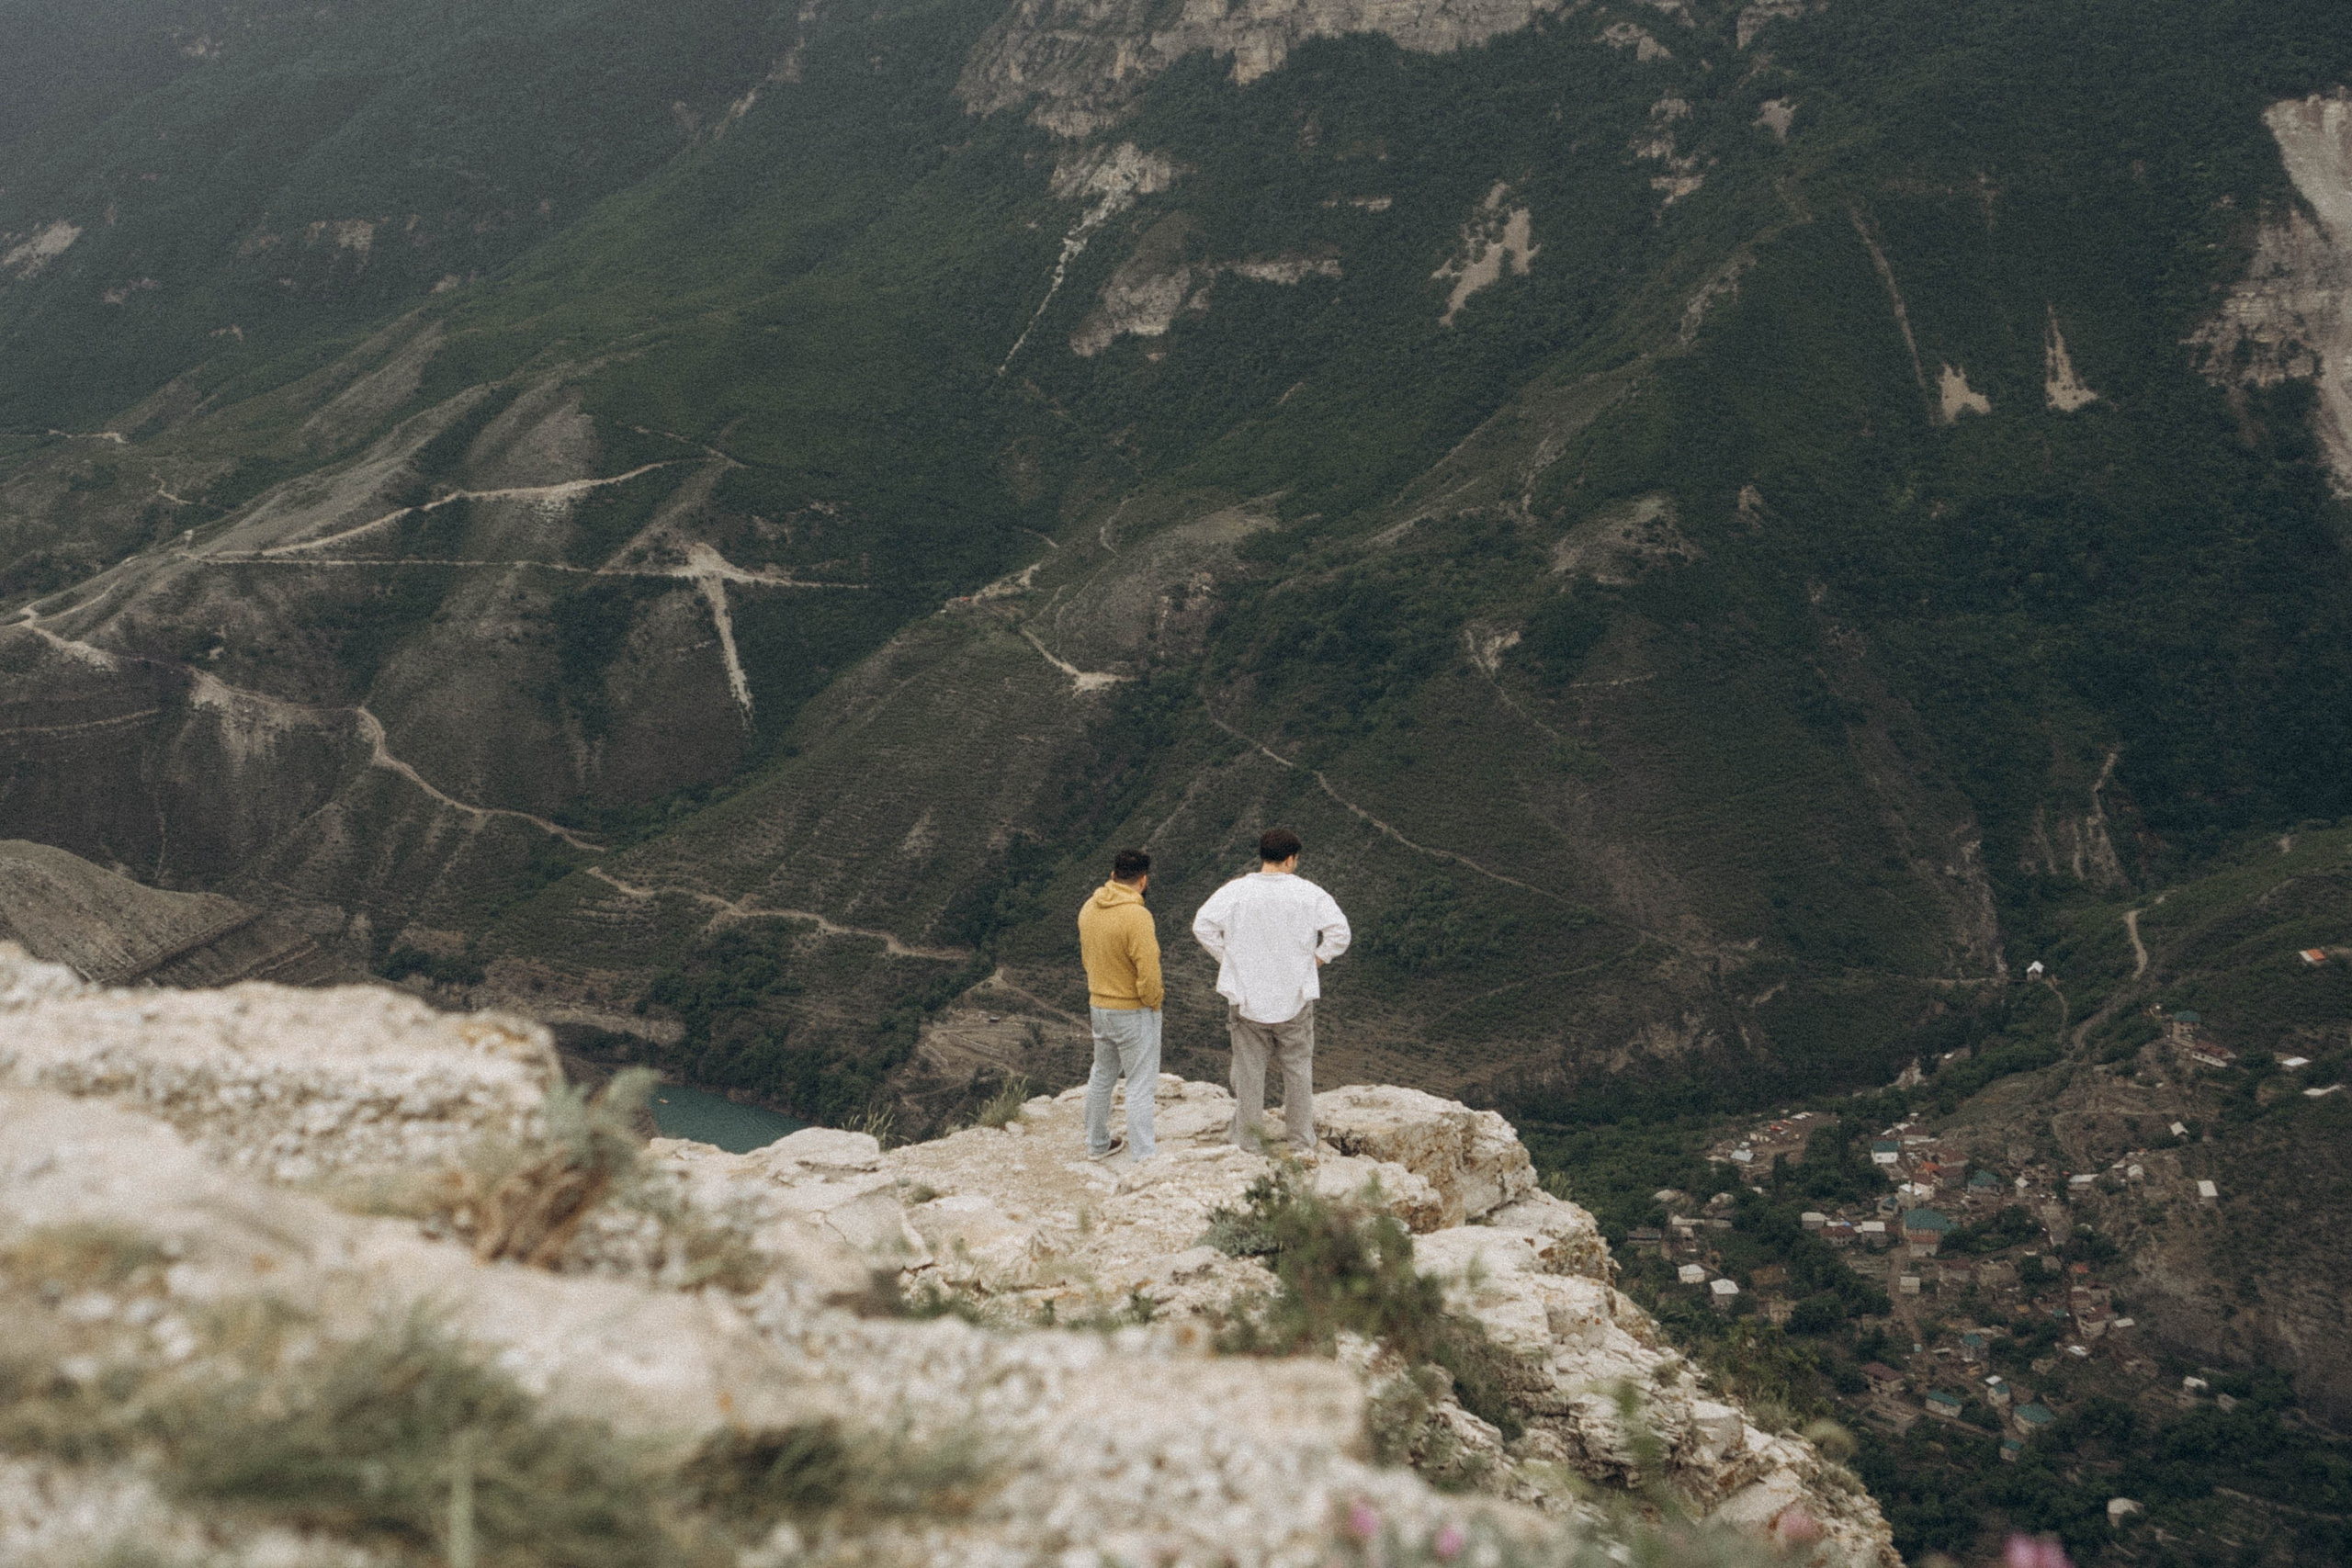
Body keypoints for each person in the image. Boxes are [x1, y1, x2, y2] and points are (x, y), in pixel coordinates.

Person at [1191, 828, 1350, 1156]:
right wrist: (1315, 961)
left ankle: (1248, 1144)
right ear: (1291, 860)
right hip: (1294, 999)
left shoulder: (1236, 891)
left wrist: (1230, 961)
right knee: (1298, 1071)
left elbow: (1202, 925)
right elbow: (1340, 933)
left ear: (1263, 855)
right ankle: (1301, 1143)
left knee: (1249, 1075)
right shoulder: (1310, 894)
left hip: (1247, 1000)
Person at [1077, 847, 1161, 1161]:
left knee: (1102, 1075)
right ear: (1143, 881)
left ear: (1113, 876)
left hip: (1099, 1005)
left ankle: (1097, 1144)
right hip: (1132, 1010)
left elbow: (1088, 958)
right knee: (1140, 1084)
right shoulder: (1137, 916)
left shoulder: (1089, 907)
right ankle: (1144, 1157)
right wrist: (1153, 1001)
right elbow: (1149, 969)